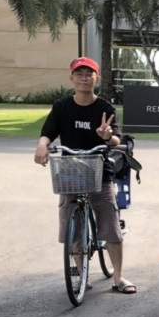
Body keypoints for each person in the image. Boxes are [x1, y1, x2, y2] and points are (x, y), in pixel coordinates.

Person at [34, 56, 136, 294]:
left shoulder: (105, 108)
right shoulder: (62, 106)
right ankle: (81, 273)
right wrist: (42, 145)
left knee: (111, 225)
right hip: (70, 171)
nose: (84, 78)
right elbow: (48, 132)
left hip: (100, 172)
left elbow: (116, 139)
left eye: (89, 74)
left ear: (96, 78)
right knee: (71, 224)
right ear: (71, 78)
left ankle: (118, 277)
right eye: (79, 74)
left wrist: (106, 136)